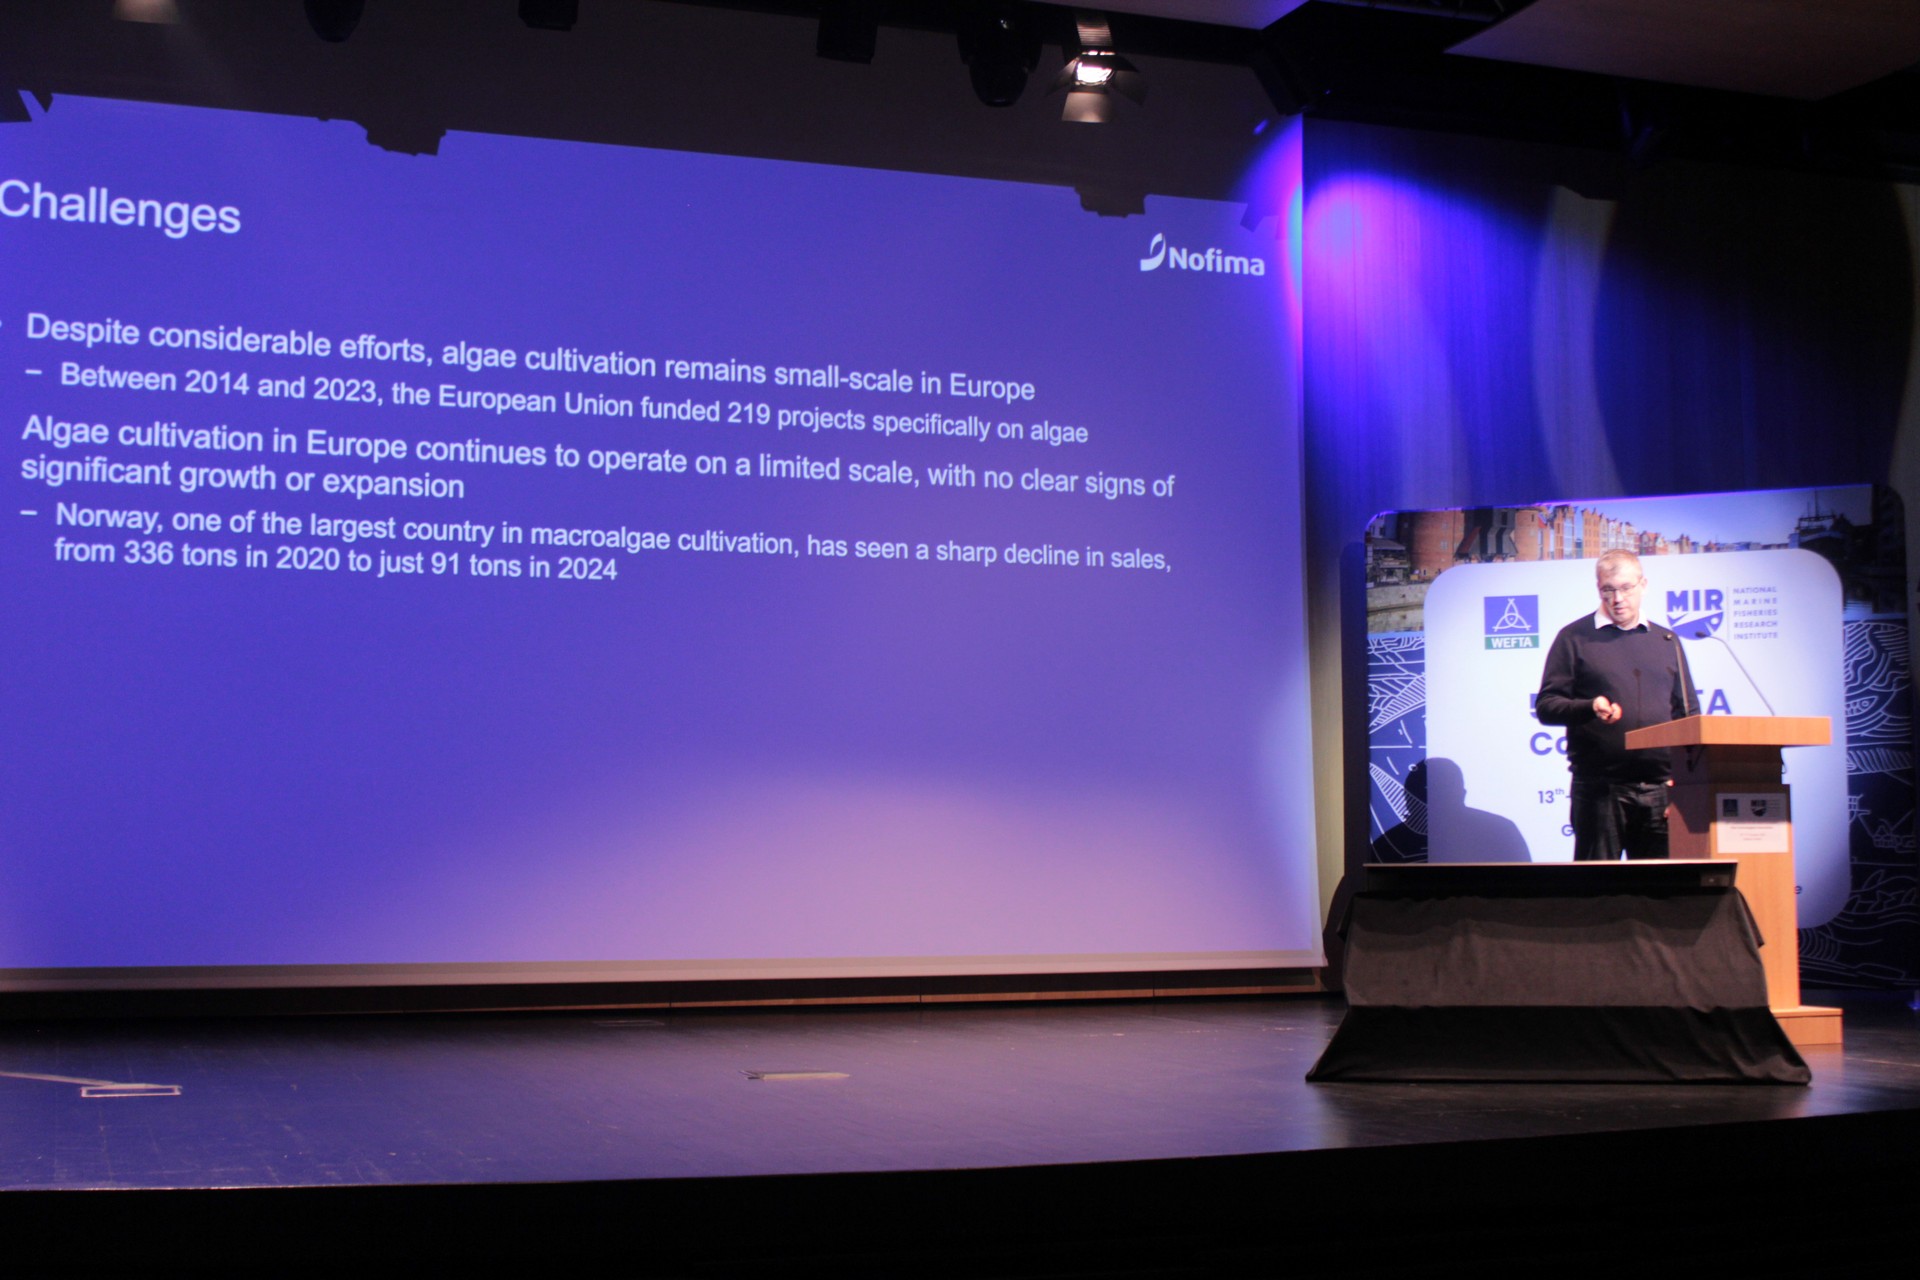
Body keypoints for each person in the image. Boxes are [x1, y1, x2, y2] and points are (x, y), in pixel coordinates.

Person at [1535, 549, 1700, 860]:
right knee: (1598, 886)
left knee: (1662, 888)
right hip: (1600, 790)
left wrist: (1685, 785)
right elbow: (1547, 705)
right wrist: (1589, 707)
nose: (1618, 599)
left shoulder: (1666, 641)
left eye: (1626, 588)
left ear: (1643, 585)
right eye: (1608, 590)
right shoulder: (1574, 638)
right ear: (1599, 588)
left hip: (1662, 790)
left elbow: (1689, 717)